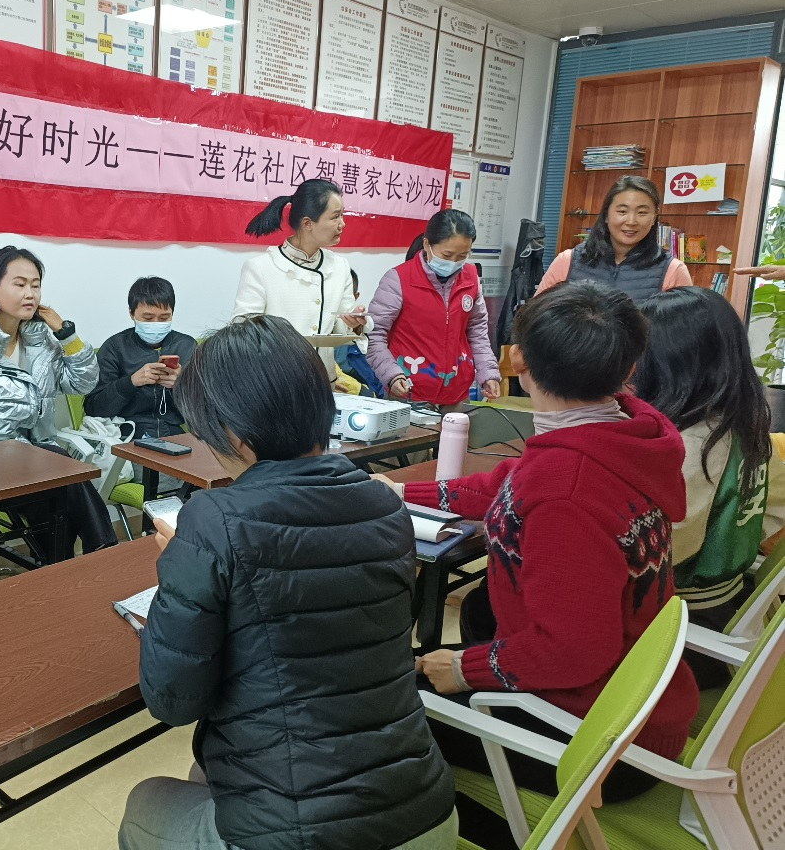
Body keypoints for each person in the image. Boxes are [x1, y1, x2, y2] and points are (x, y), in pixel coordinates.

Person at [374, 280, 699, 847]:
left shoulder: (565, 493)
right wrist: (402, 494)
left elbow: (571, 649)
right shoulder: (622, 433)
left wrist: (467, 669)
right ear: (628, 368)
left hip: (598, 740)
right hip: (633, 702)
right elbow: (509, 486)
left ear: (518, 362)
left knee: (383, 718)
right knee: (468, 622)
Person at [121, 314, 458, 850]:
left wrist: (182, 575)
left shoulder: (214, 519)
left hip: (306, 835)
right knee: (207, 776)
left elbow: (173, 702)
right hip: (427, 814)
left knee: (145, 802)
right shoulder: (384, 505)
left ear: (233, 432)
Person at [632, 287, 785, 676]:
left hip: (681, 635)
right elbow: (775, 512)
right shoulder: (747, 428)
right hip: (730, 611)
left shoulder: (689, 448)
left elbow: (661, 550)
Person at [0, 246, 115, 559]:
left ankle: (61, 568)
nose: (30, 294)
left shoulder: (40, 340)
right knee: (61, 476)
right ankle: (101, 549)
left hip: (36, 463)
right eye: (19, 284)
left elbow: (81, 384)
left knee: (57, 495)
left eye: (35, 285)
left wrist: (67, 335)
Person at [233, 178, 372, 382]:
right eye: (335, 217)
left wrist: (354, 322)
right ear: (307, 224)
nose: (342, 224)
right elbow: (241, 330)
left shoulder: (340, 266)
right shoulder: (261, 267)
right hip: (275, 381)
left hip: (323, 381)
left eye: (342, 215)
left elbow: (339, 328)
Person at [367, 209, 501, 405]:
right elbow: (374, 334)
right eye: (447, 255)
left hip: (457, 392)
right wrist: (391, 375)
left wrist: (488, 373)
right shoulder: (398, 280)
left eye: (462, 255)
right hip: (408, 391)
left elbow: (477, 332)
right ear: (427, 244)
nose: (454, 262)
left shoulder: (471, 278)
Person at [536, 175, 691, 301]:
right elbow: (534, 318)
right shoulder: (567, 261)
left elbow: (686, 328)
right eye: (622, 211)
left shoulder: (672, 270)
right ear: (606, 215)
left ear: (654, 218)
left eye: (642, 213)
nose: (631, 221)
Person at [84, 276, 196, 440]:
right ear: (132, 313)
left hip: (174, 432)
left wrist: (181, 384)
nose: (156, 324)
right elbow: (94, 408)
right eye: (148, 318)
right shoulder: (115, 347)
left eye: (164, 318)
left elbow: (207, 409)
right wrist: (131, 382)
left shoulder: (187, 346)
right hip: (127, 433)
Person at [334, 269, 387, 396]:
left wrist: (357, 327)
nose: (337, 300)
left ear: (355, 296)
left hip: (357, 383)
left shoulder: (361, 325)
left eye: (345, 295)